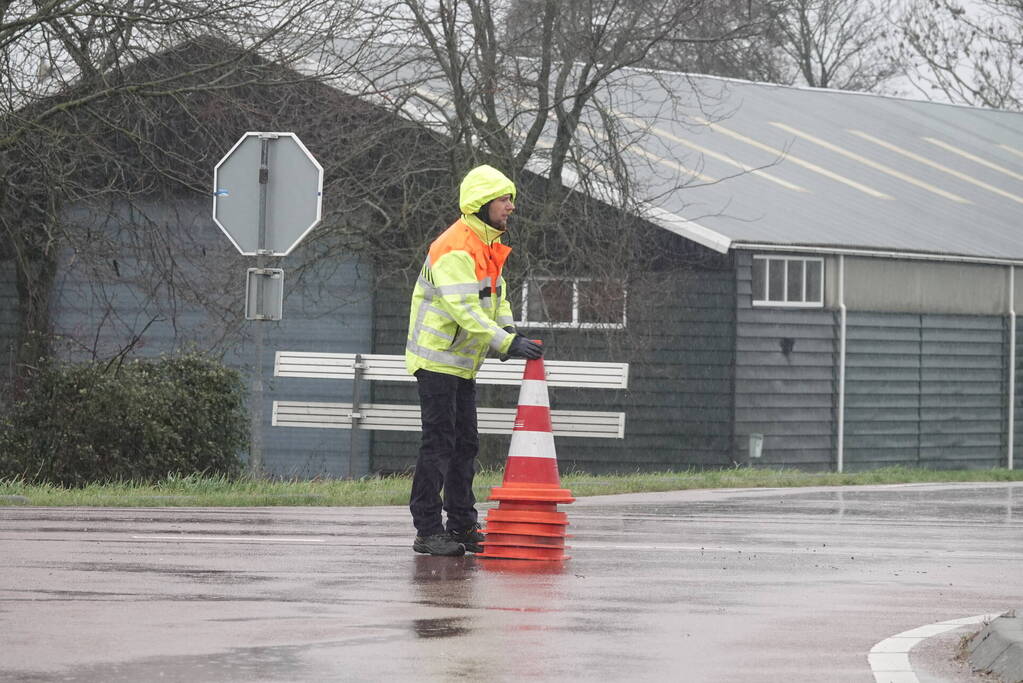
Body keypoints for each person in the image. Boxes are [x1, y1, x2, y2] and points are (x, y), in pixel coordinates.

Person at [405, 164, 544, 556]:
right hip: (436, 361)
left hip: (461, 361)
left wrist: (510, 334)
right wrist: (505, 344)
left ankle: (462, 525)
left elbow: (496, 299)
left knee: (465, 443)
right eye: (504, 199)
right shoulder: (454, 247)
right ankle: (428, 530)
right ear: (481, 203)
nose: (511, 206)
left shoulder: (486, 245)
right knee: (439, 444)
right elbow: (465, 310)